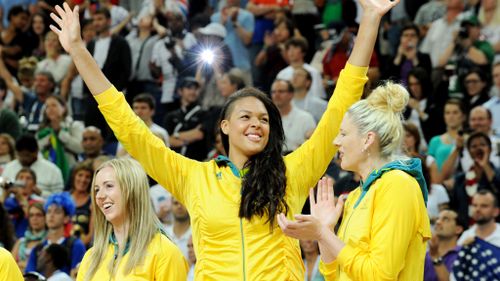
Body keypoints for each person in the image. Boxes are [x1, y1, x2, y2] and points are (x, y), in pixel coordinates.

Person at [49, 0, 395, 279]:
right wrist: (79, 50)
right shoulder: (195, 178)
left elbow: (340, 106)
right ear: (225, 127)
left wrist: (369, 21)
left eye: (264, 119)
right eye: (245, 116)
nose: (256, 124)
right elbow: (129, 127)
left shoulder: (293, 171)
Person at [277, 83, 431, 279]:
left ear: (368, 140)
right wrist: (325, 232)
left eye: (343, 133)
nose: (336, 142)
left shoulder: (398, 185)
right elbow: (333, 275)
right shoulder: (356, 195)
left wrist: (324, 234)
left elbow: (380, 275)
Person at [76, 158, 187, 280]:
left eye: (109, 186)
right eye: (96, 190)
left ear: (132, 190)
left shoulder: (165, 252)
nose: (100, 196)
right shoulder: (91, 258)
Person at [424, 209, 465, 281]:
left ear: (458, 229)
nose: (438, 222)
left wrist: (435, 256)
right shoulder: (426, 255)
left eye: (446, 219)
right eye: (437, 219)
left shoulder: (464, 255)